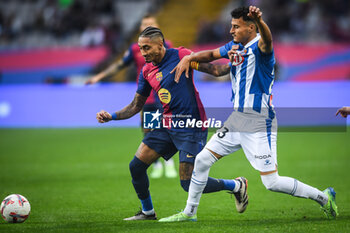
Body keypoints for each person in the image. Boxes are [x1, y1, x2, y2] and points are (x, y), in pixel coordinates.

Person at [159, 6, 338, 222]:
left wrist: (261, 21)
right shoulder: (236, 46)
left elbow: (268, 40)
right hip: (237, 120)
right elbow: (212, 54)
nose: (231, 30)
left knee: (271, 183)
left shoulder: (262, 48)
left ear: (251, 28)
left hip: (259, 121)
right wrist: (189, 58)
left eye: (236, 26)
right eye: (231, 26)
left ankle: (324, 198)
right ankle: (189, 213)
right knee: (202, 160)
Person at [96, 26, 247, 221]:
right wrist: (112, 116)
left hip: (191, 125)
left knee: (187, 184)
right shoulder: (146, 70)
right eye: (141, 48)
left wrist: (236, 64)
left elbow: (216, 70)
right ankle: (148, 212)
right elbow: (136, 105)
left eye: (147, 48)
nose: (143, 53)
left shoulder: (182, 55)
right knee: (136, 166)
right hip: (166, 125)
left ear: (160, 45)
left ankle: (236, 185)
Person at [87, 15, 177, 179]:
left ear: (157, 27)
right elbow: (120, 65)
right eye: (144, 24)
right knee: (148, 130)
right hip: (145, 97)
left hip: (163, 96)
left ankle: (169, 163)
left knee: (165, 129)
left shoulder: (167, 46)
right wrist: (99, 77)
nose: (146, 26)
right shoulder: (136, 48)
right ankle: (156, 165)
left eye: (150, 24)